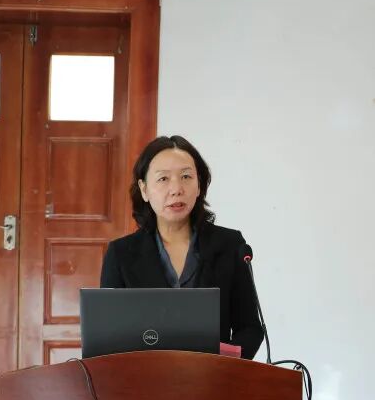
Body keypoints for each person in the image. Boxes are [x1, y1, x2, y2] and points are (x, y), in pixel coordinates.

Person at [99, 135, 264, 359]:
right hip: (144, 377)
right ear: (144, 189)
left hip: (215, 376)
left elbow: (250, 329)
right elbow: (108, 336)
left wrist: (222, 366)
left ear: (199, 186)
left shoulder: (230, 245)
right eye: (163, 179)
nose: (176, 189)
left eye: (186, 176)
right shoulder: (121, 255)